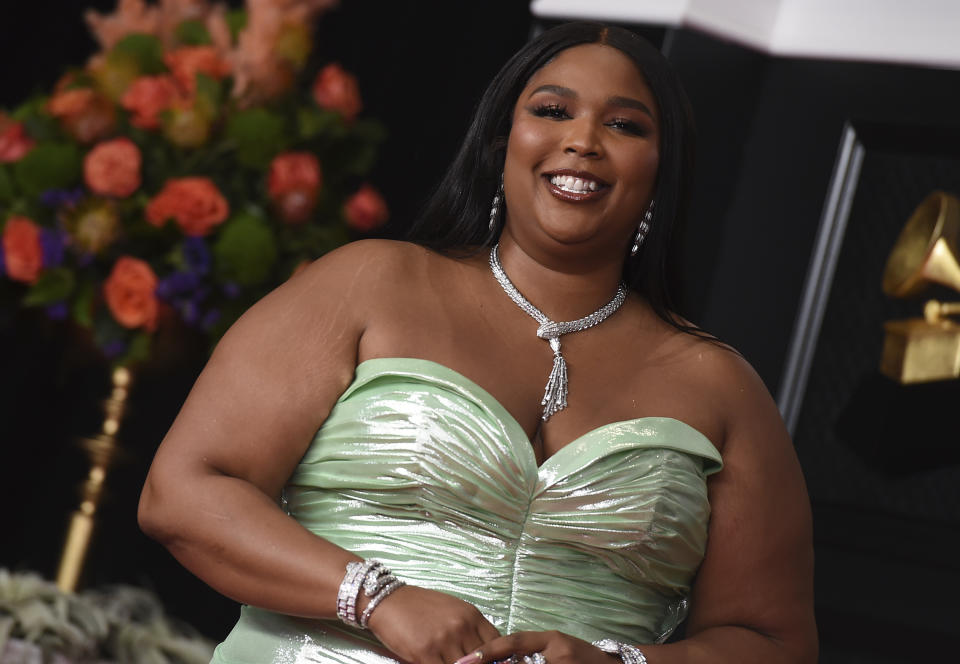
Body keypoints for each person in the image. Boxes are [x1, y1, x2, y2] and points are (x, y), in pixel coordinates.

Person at [139, 22, 817, 664]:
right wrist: (374, 596)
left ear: (661, 169)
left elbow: (774, 644)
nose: (583, 139)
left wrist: (624, 661)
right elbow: (184, 493)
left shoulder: (720, 387)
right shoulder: (370, 284)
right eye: (552, 111)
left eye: (624, 124)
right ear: (502, 142)